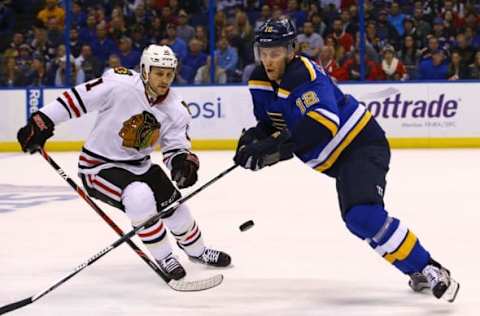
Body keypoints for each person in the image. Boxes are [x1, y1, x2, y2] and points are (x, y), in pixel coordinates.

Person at [235, 17, 460, 302]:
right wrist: (254, 138)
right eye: (263, 53)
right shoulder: (258, 80)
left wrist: (273, 150)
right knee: (357, 221)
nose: (268, 60)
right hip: (340, 162)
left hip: (362, 146)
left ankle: (431, 268)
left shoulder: (303, 75)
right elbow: (273, 122)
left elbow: (322, 124)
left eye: (275, 52)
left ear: (291, 50)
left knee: (362, 214)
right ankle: (416, 270)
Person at [16, 45, 231, 281]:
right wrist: (42, 120)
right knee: (139, 197)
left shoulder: (176, 109)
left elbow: (175, 146)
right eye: (159, 73)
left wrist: (182, 163)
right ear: (145, 70)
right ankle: (165, 256)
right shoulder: (120, 84)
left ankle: (197, 251)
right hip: (98, 167)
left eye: (169, 74)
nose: (164, 80)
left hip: (140, 165)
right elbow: (78, 99)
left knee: (175, 206)